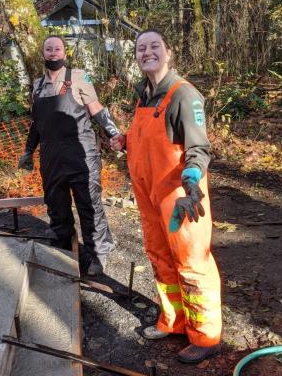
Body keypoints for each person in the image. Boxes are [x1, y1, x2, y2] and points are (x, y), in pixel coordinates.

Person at [110, 29, 222, 363]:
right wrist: (125, 141)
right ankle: (173, 321)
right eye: (141, 49)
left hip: (181, 196)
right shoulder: (143, 95)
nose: (147, 53)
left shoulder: (184, 95)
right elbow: (147, 140)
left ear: (168, 52)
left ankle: (205, 336)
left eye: (154, 47)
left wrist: (192, 177)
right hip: (149, 194)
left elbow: (198, 146)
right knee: (159, 256)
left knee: (191, 261)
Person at [18, 35, 121, 276]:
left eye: (57, 48)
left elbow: (96, 109)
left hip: (81, 153)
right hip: (51, 157)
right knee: (56, 204)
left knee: (89, 204)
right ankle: (65, 246)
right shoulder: (37, 86)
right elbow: (36, 124)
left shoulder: (78, 77)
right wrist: (28, 151)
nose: (53, 53)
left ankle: (99, 252)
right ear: (43, 54)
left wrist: (115, 133)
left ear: (64, 53)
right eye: (48, 49)